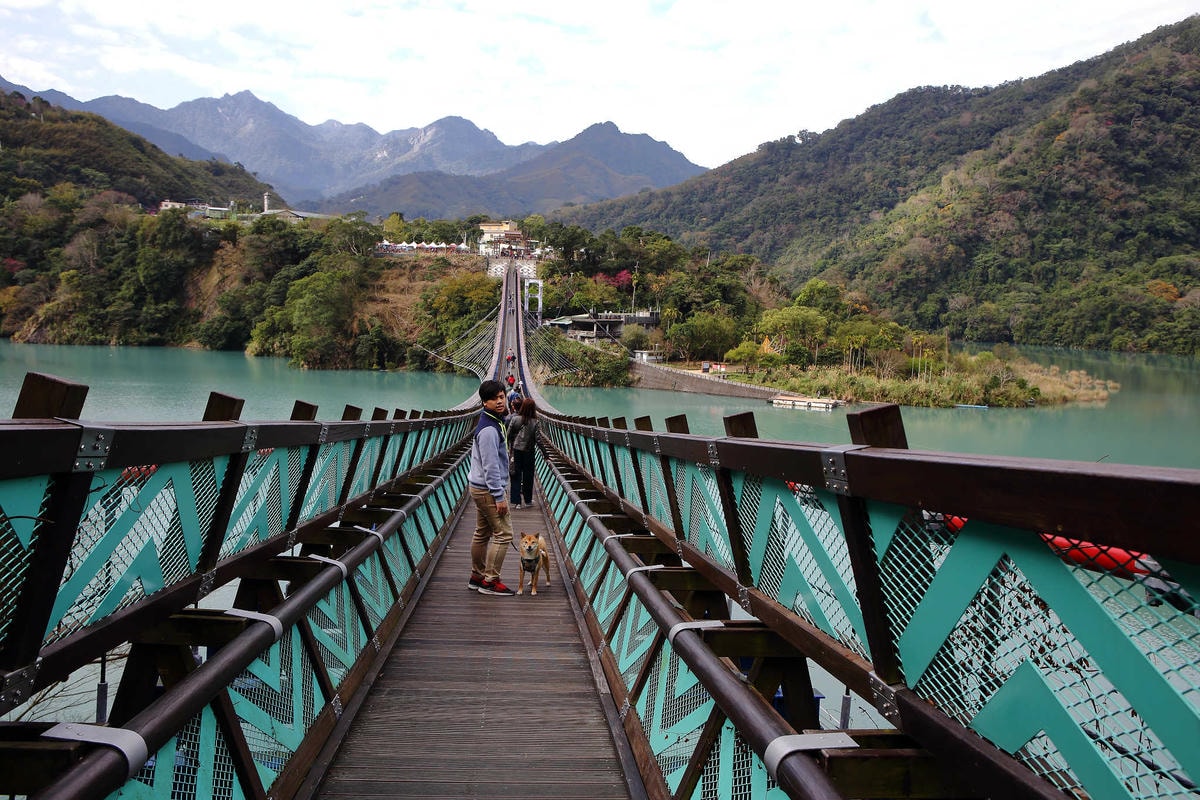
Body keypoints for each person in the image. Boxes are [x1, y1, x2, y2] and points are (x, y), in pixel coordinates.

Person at [466, 379, 515, 595]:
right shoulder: (489, 430)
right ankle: (490, 581)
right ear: (484, 402)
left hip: (478, 487)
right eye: (494, 398)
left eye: (502, 396)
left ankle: (477, 576)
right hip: (487, 490)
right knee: (504, 534)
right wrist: (499, 496)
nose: (499, 401)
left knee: (482, 533)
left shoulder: (494, 421)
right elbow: (490, 466)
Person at [507, 396, 539, 509]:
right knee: (528, 476)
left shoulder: (515, 419)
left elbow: (508, 434)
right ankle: (528, 500)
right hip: (529, 451)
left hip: (516, 450)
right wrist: (546, 455)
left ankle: (517, 502)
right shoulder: (535, 422)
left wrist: (509, 447)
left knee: (515, 474)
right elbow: (538, 439)